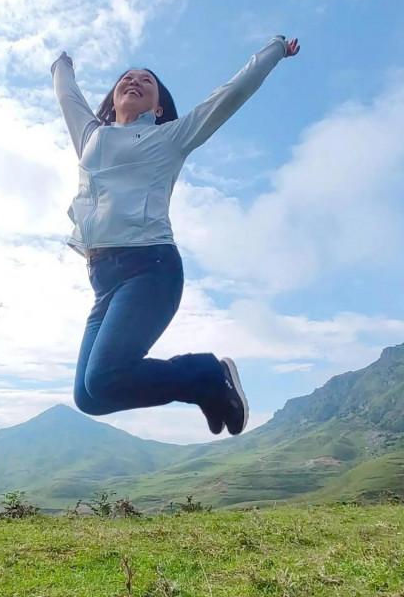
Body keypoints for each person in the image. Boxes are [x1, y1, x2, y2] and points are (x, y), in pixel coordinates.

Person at [51, 35, 300, 436]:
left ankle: (207, 372)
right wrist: (61, 62)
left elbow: (230, 94)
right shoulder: (91, 136)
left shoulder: (170, 137)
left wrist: (274, 50)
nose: (134, 82)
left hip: (149, 268)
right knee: (88, 396)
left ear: (159, 105)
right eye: (125, 79)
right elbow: (67, 96)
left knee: (103, 379)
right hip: (103, 280)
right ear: (113, 99)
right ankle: (204, 387)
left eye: (145, 81)